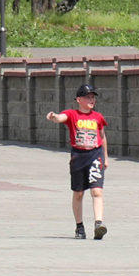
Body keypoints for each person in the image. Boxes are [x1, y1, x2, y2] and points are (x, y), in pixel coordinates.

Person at [46, 84, 109, 240]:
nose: (91, 100)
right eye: (88, 97)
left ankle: (98, 224)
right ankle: (79, 227)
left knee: (97, 191)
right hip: (78, 157)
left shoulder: (98, 117)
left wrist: (106, 157)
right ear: (79, 99)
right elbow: (61, 117)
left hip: (95, 155)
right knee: (79, 193)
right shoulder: (72, 114)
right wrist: (54, 117)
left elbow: (102, 137)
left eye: (93, 97)